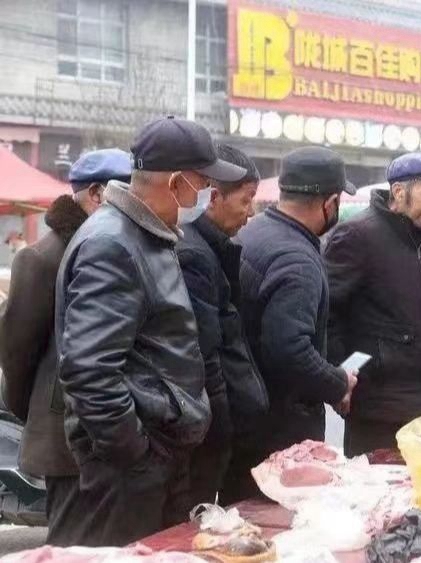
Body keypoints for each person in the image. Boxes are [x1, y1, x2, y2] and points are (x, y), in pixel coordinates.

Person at [53, 117, 245, 546]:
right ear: (176, 183)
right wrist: (136, 455)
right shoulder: (112, 244)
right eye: (203, 184)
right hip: (129, 471)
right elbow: (89, 371)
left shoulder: (149, 235)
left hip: (159, 456)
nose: (207, 195)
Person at [0, 149, 130, 531]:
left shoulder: (116, 247)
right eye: (125, 191)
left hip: (110, 435)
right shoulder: (43, 258)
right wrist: (41, 409)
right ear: (95, 194)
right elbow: (16, 353)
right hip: (63, 437)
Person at [229, 146, 358, 502]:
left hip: (243, 414)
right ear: (329, 203)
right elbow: (289, 349)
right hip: (279, 430)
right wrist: (337, 383)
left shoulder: (254, 232)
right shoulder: (296, 259)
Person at [325, 153, 421, 457]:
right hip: (377, 406)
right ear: (399, 192)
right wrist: (341, 377)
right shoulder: (357, 235)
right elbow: (327, 314)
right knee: (375, 483)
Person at [177, 144, 267, 507]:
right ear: (214, 197)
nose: (251, 213)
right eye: (246, 200)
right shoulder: (194, 255)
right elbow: (205, 355)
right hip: (204, 434)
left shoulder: (212, 249)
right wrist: (221, 431)